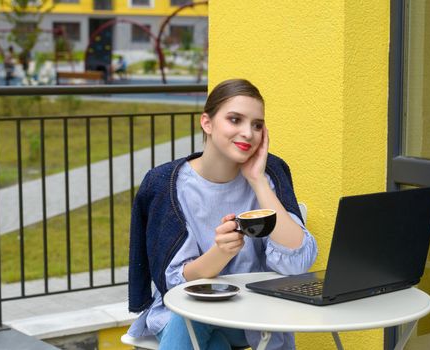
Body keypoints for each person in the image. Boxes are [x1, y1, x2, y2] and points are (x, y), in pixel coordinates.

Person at [128, 79, 318, 350]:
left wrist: (257, 181)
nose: (248, 133)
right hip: (185, 311)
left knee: (194, 324)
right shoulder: (167, 184)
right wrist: (222, 252)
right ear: (207, 123)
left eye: (257, 125)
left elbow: (297, 264)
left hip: (250, 316)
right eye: (235, 119)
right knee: (195, 320)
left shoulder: (271, 174)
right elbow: (176, 283)